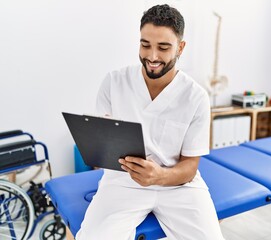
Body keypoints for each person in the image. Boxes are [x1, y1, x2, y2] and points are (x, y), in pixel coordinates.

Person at [76, 4, 224, 240]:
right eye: (145, 45)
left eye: (163, 48)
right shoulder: (114, 83)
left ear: (180, 48)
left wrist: (159, 177)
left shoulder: (196, 96)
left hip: (179, 187)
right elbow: (102, 146)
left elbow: (190, 166)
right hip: (123, 182)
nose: (152, 56)